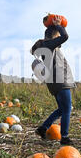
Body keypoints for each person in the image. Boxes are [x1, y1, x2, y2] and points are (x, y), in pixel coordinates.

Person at [31, 15, 76, 145]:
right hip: (60, 81)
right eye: (58, 33)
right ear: (55, 35)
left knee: (62, 109)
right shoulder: (49, 45)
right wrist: (58, 25)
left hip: (54, 83)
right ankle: (64, 138)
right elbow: (65, 37)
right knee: (67, 109)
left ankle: (43, 128)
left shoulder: (46, 46)